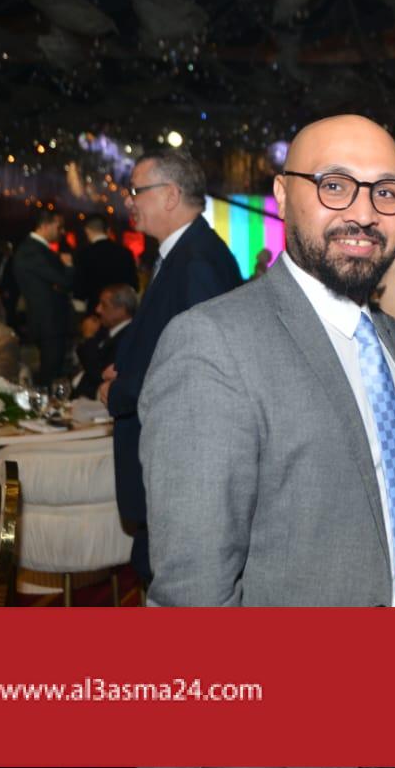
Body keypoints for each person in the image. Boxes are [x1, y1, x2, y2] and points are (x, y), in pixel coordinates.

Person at [139, 114, 395, 606]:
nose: (364, 213)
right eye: (335, 186)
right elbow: (193, 593)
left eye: (386, 192)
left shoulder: (388, 335)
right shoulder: (211, 344)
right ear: (282, 196)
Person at [99, 148, 243, 583]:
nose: (130, 201)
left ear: (170, 195)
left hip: (183, 463)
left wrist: (120, 390)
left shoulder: (197, 261)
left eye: (136, 191)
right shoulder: (185, 254)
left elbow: (197, 371)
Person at [12, 209, 74, 385]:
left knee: (52, 372)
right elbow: (64, 281)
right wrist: (68, 266)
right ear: (45, 226)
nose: (62, 231)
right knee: (50, 375)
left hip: (48, 321)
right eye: (59, 227)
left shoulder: (36, 250)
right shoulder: (33, 251)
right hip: (49, 322)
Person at [74, 283, 135, 400]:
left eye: (104, 305)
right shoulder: (105, 330)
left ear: (121, 309)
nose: (98, 309)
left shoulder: (129, 337)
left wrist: (89, 338)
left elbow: (98, 373)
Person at [73, 214, 138, 315]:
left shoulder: (84, 253)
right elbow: (134, 285)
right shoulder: (124, 252)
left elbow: (80, 288)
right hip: (122, 310)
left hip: (96, 310)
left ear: (87, 230)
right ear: (107, 230)